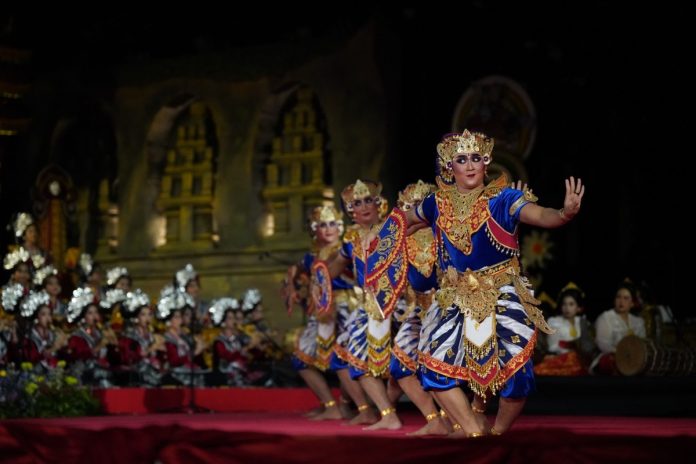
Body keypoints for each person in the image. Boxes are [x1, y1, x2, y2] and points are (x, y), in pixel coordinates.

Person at [397, 129, 584, 437]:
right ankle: (473, 431)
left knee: (517, 376)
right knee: (432, 368)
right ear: (449, 166)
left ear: (485, 162)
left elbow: (541, 215)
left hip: (502, 294)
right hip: (454, 298)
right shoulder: (436, 204)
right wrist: (387, 238)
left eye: (475, 158)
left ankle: (497, 433)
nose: (469, 165)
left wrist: (564, 214)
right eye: (461, 159)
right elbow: (403, 221)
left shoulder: (503, 199)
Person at [325, 179, 402, 430]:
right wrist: (320, 278)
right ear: (350, 210)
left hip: (397, 303)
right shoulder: (352, 237)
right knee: (346, 355)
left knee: (402, 365)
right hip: (368, 305)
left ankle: (440, 417)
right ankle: (374, 411)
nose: (364, 206)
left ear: (378, 203)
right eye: (356, 203)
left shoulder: (394, 230)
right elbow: (337, 264)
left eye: (368, 199)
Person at [286, 205, 364, 421]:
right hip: (322, 310)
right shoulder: (311, 256)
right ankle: (331, 404)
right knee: (300, 357)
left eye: (332, 224)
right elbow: (294, 270)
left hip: (347, 308)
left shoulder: (347, 247)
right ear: (314, 229)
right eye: (322, 225)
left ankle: (356, 407)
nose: (328, 229)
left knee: (345, 357)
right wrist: (292, 288)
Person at [534, 283, 593, 376]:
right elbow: (552, 347)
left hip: (579, 359)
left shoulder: (581, 322)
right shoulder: (554, 322)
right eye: (564, 304)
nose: (567, 308)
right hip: (560, 358)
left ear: (579, 308)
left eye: (571, 304)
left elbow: (588, 346)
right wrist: (570, 347)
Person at [590, 281, 646, 375]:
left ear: (632, 303)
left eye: (626, 298)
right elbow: (602, 344)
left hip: (635, 358)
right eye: (618, 297)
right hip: (613, 356)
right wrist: (622, 353)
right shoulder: (605, 317)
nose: (621, 301)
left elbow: (643, 343)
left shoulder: (638, 321)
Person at [65, 287, 116, 386]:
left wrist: (114, 344)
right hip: (83, 374)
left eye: (96, 312)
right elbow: (80, 356)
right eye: (90, 313)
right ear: (83, 317)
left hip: (101, 371)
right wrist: (100, 345)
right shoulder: (77, 336)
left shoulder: (100, 333)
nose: (94, 316)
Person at [118, 289, 164, 386]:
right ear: (136, 317)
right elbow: (128, 358)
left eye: (149, 314)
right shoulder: (129, 336)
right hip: (136, 375)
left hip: (153, 372)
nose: (147, 318)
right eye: (143, 314)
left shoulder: (153, 334)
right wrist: (151, 348)